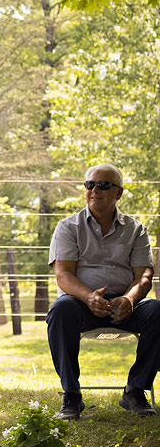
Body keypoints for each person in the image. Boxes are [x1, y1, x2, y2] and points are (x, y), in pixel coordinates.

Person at [47, 162, 160, 419]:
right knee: (60, 309)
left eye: (103, 185)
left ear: (118, 192)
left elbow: (144, 275)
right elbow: (62, 274)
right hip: (83, 304)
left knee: (156, 310)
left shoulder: (136, 230)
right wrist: (88, 296)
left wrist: (130, 299)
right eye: (90, 184)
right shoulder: (68, 227)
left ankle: (135, 390)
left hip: (125, 304)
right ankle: (72, 395)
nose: (94, 190)